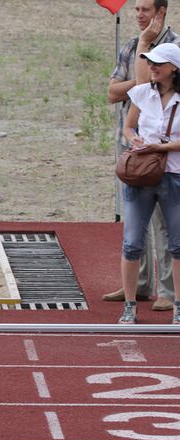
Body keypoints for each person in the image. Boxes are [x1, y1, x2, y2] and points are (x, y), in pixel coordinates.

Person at [105, 0, 176, 312]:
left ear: (161, 12)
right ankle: (140, 285)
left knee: (166, 225)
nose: (139, 15)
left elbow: (141, 88)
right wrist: (143, 82)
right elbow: (111, 93)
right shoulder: (132, 45)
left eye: (146, 9)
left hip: (167, 158)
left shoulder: (174, 46)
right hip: (133, 146)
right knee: (135, 225)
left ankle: (168, 290)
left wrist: (143, 80)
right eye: (136, 9)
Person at [117, 43, 180, 324]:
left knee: (177, 245)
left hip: (174, 176)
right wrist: (135, 140)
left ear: (174, 68)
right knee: (132, 243)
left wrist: (158, 147)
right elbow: (129, 128)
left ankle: (178, 305)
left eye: (158, 63)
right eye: (150, 62)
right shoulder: (142, 93)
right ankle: (129, 306)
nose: (152, 67)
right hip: (141, 176)